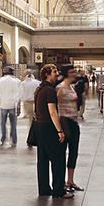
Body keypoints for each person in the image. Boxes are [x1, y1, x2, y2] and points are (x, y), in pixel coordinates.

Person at [34, 64, 73, 199]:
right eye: (54, 71)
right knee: (58, 159)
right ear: (47, 74)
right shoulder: (50, 90)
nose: (57, 73)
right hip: (48, 127)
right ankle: (59, 191)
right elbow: (52, 111)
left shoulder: (39, 88)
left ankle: (44, 188)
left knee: (43, 158)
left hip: (38, 126)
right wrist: (60, 130)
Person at [56, 65, 83, 193]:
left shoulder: (72, 87)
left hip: (74, 122)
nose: (74, 74)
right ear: (66, 73)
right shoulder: (59, 88)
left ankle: (71, 180)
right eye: (71, 72)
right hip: (64, 121)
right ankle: (62, 182)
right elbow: (54, 106)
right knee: (62, 153)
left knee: (74, 152)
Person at [0, 66, 23, 147]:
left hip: (3, 105)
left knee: (3, 123)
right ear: (11, 72)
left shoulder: (0, 80)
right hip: (12, 105)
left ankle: (3, 138)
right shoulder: (15, 81)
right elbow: (17, 94)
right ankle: (13, 140)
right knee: (13, 124)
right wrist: (17, 105)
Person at [21, 69, 39, 146]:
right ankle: (38, 138)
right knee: (38, 121)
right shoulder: (38, 83)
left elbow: (21, 95)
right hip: (37, 103)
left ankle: (31, 139)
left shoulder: (23, 83)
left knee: (30, 122)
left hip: (27, 103)